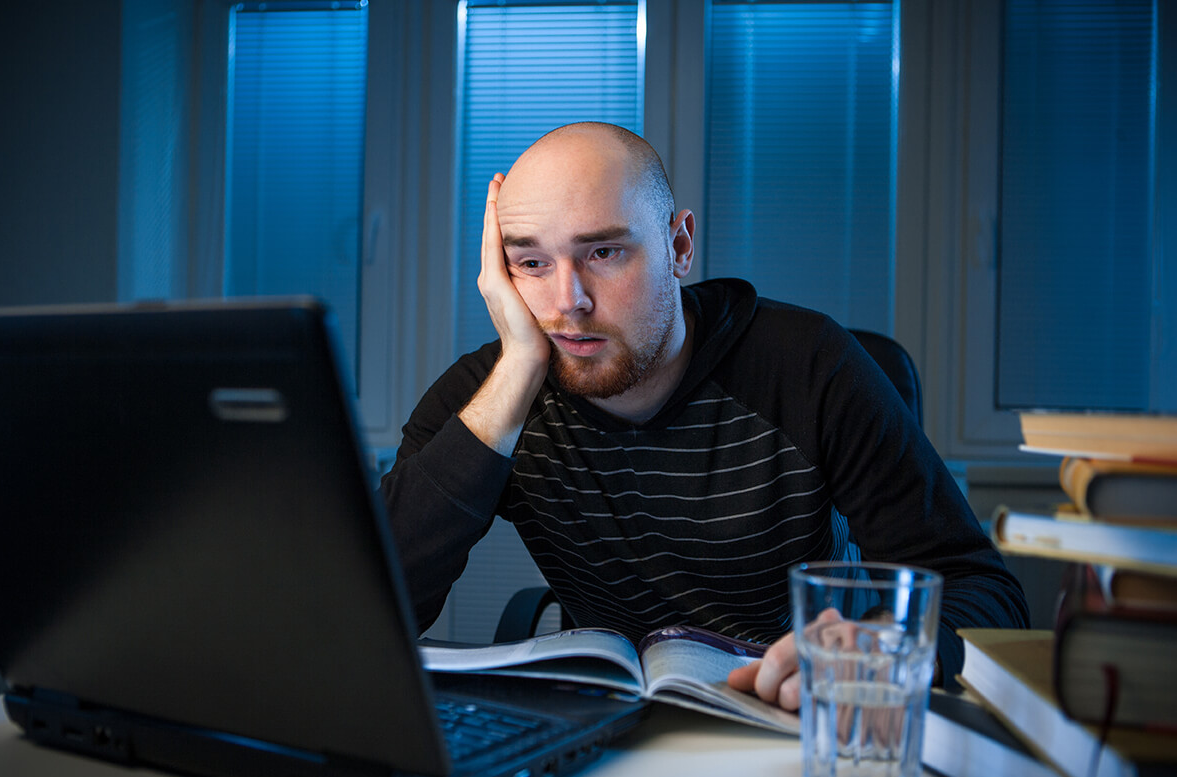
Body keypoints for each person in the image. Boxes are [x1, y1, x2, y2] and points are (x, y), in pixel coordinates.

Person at [380, 122, 1028, 709]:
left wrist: (882, 650)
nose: (567, 301)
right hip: (620, 734)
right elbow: (376, 611)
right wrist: (521, 369)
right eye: (531, 262)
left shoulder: (808, 367)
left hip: (805, 714)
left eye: (603, 253)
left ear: (679, 245)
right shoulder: (491, 396)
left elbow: (986, 594)